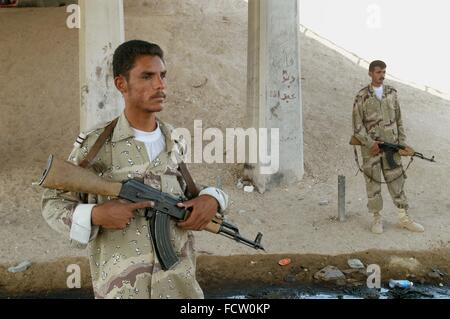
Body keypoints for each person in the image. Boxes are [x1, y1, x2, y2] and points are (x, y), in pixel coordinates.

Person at [41, 40, 229, 299]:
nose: (160, 85)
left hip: (179, 289)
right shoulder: (96, 145)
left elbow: (189, 195)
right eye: (147, 76)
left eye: (162, 76)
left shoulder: (175, 139)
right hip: (123, 291)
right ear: (121, 84)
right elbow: (52, 203)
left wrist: (213, 198)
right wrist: (95, 214)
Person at [352, 60, 424, 234]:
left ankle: (404, 218)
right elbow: (357, 126)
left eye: (384, 72)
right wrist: (370, 143)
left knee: (396, 181)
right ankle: (377, 219)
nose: (382, 75)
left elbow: (399, 120)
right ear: (370, 73)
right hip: (372, 149)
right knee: (373, 184)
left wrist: (402, 144)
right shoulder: (361, 96)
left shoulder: (392, 93)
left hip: (392, 148)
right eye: (378, 72)